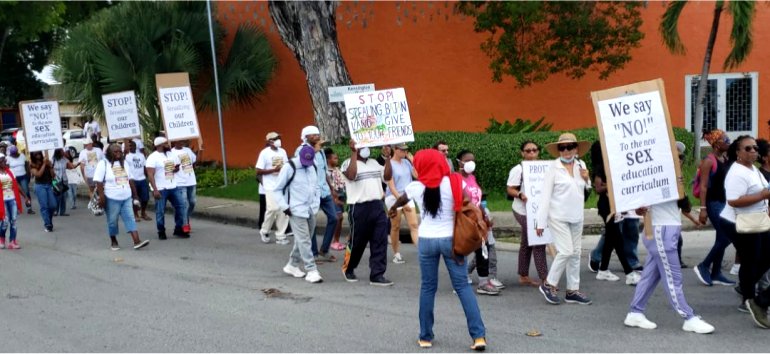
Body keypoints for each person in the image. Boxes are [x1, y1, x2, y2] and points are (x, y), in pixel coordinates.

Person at [388, 148, 487, 351]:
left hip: (426, 241)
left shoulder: (416, 187)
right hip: (451, 241)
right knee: (462, 287)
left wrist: (392, 209)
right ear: (442, 163)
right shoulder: (454, 182)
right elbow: (470, 202)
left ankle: (425, 337)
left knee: (427, 288)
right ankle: (478, 337)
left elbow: (401, 200)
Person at [624, 198, 716, 334]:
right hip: (660, 229)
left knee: (650, 275)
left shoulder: (674, 178)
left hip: (667, 228)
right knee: (673, 277)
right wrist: (641, 209)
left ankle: (635, 312)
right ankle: (689, 317)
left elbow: (685, 205)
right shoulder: (651, 178)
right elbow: (638, 206)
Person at [718, 135, 770, 329]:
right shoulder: (736, 172)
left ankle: (746, 288)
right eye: (748, 148)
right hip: (738, 222)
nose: (753, 151)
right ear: (738, 153)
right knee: (751, 259)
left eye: (755, 148)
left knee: (763, 256)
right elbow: (733, 201)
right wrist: (762, 195)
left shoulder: (753, 169)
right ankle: (749, 299)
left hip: (757, 220)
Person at [536, 133, 592, 305]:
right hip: (558, 216)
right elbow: (545, 196)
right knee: (566, 251)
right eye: (562, 148)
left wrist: (587, 178)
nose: (566, 151)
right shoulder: (553, 168)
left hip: (576, 215)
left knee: (575, 253)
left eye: (570, 147)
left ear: (576, 149)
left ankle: (572, 290)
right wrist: (540, 222)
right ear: (558, 150)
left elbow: (586, 188)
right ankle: (549, 284)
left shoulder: (581, 165)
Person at [340, 139, 393, 286]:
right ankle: (349, 268)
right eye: (362, 146)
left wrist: (388, 158)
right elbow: (351, 176)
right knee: (357, 241)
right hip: (358, 207)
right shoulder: (347, 163)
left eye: (367, 146)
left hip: (377, 205)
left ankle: (377, 274)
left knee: (380, 241)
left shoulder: (374, 163)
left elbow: (387, 177)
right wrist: (353, 153)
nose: (366, 149)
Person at [590, 140, 639, 285]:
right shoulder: (600, 168)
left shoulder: (612, 166)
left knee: (611, 239)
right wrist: (613, 185)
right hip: (606, 206)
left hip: (615, 204)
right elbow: (598, 189)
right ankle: (629, 273)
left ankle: (603, 270)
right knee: (617, 237)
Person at [273, 145, 323, 283]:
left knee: (303, 238)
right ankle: (311, 269)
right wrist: (284, 207)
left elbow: (316, 185)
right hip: (295, 209)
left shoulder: (313, 166)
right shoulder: (290, 167)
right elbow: (277, 189)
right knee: (305, 240)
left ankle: (292, 264)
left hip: (310, 208)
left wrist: (316, 202)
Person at [694, 129, 736, 287]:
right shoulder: (709, 161)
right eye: (725, 139)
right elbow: (703, 186)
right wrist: (703, 209)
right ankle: (703, 265)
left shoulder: (724, 158)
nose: (728, 141)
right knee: (727, 235)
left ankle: (716, 273)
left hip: (724, 203)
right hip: (713, 204)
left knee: (721, 237)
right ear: (717, 144)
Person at [457, 149, 499, 295]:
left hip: (479, 219)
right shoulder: (456, 179)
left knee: (483, 249)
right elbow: (462, 201)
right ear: (459, 162)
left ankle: (483, 282)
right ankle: (460, 280)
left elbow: (478, 200)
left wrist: (485, 216)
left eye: (473, 160)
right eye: (467, 160)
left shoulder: (472, 178)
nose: (471, 163)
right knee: (462, 250)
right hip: (465, 219)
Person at [296, 126, 340, 263]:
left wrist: (331, 187)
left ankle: (324, 249)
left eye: (317, 134)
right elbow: (302, 167)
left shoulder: (321, 152)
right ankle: (313, 253)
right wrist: (313, 151)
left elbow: (324, 170)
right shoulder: (301, 150)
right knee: (312, 222)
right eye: (313, 135)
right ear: (306, 137)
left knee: (334, 218)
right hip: (311, 192)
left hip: (324, 191)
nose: (317, 137)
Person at [507, 140, 548, 286]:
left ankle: (523, 275)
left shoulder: (544, 168)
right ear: (522, 153)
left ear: (538, 151)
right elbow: (510, 188)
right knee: (538, 240)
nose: (531, 153)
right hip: (522, 210)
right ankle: (545, 278)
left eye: (534, 150)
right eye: (528, 150)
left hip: (538, 210)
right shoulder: (518, 169)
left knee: (527, 241)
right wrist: (519, 195)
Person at [94, 143, 150, 251]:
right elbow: (98, 181)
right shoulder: (103, 163)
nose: (118, 153)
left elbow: (130, 179)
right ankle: (114, 241)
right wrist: (102, 197)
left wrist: (135, 196)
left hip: (126, 197)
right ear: (109, 153)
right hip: (111, 198)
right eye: (115, 152)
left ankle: (137, 241)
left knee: (130, 218)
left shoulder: (125, 163)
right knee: (112, 220)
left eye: (120, 151)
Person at [146, 137, 188, 239]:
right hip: (161, 188)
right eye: (166, 143)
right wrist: (155, 190)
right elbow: (150, 175)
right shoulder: (152, 157)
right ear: (160, 145)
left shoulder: (171, 154)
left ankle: (178, 229)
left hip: (173, 186)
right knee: (160, 211)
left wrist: (175, 169)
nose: (168, 145)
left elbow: (177, 166)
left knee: (181, 206)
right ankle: (161, 231)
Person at [385, 143, 419, 264]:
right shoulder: (389, 164)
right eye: (402, 150)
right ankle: (396, 254)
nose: (405, 152)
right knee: (396, 226)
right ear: (395, 150)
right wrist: (401, 202)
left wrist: (413, 162)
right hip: (393, 198)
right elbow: (392, 187)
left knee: (414, 224)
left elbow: (417, 176)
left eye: (406, 150)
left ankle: (421, 250)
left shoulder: (406, 163)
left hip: (407, 196)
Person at [256, 132, 290, 244]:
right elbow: (258, 171)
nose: (278, 140)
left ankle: (281, 235)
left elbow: (286, 166)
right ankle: (264, 230)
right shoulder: (264, 153)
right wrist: (273, 170)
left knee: (283, 210)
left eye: (279, 138)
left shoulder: (283, 151)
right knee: (273, 208)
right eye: (275, 138)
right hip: (270, 185)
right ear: (269, 141)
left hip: (282, 185)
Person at [172, 140, 199, 232]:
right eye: (179, 141)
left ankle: (185, 218)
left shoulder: (188, 150)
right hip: (180, 183)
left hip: (191, 181)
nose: (181, 142)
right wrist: (174, 170)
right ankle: (185, 225)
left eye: (182, 141)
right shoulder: (171, 153)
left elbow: (194, 162)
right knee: (183, 204)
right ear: (174, 142)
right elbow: (169, 169)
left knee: (192, 202)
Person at [325, 148, 347, 251]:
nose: (337, 160)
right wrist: (334, 198)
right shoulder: (326, 172)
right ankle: (335, 241)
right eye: (335, 158)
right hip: (333, 196)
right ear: (329, 159)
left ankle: (335, 240)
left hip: (340, 195)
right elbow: (328, 186)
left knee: (340, 218)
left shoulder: (337, 170)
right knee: (338, 217)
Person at [29, 151, 57, 232]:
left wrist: (50, 166)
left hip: (49, 185)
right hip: (40, 186)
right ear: (33, 155)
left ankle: (49, 220)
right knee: (44, 206)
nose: (37, 154)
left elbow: (53, 175)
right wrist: (44, 164)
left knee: (53, 205)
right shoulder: (32, 164)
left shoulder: (47, 161)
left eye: (38, 153)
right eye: (35, 153)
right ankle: (47, 224)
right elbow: (38, 175)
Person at [0, 154, 23, 249]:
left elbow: (16, 185)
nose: (4, 162)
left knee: (13, 220)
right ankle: (1, 238)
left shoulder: (11, 172)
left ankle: (12, 241)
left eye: (4, 160)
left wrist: (25, 197)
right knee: (5, 221)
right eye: (2, 161)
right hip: (2, 200)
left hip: (12, 199)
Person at [125, 140, 151, 221]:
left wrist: (148, 177)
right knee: (135, 198)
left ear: (135, 146)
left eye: (132, 145)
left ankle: (143, 212)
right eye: (129, 146)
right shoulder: (127, 156)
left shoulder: (141, 155)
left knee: (145, 198)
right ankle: (135, 214)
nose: (131, 147)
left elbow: (145, 166)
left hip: (142, 179)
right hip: (133, 179)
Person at [52, 148, 79, 217]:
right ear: (58, 152)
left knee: (64, 196)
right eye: (62, 151)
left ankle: (62, 212)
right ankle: (55, 210)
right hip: (55, 180)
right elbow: (50, 169)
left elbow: (72, 166)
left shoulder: (65, 159)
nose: (64, 152)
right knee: (57, 196)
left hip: (64, 180)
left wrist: (79, 163)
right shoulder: (53, 160)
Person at [7, 146, 33, 214]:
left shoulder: (22, 156)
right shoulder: (8, 158)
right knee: (15, 193)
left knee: (26, 192)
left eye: (15, 153)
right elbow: (7, 168)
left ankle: (29, 207)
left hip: (23, 176)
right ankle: (16, 208)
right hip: (14, 178)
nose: (14, 154)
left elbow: (26, 165)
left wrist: (28, 173)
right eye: (12, 153)